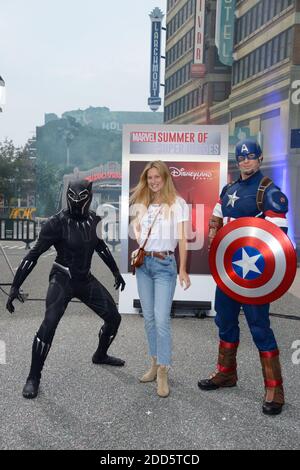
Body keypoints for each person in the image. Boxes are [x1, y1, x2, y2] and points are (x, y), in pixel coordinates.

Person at [6, 179, 126, 399]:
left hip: (84, 278)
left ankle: (100, 354)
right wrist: (15, 286)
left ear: (89, 196)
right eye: (73, 196)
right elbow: (33, 256)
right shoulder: (56, 222)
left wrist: (116, 272)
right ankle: (33, 377)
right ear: (67, 195)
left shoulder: (94, 220)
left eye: (81, 197)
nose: (76, 201)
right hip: (62, 277)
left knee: (114, 318)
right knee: (49, 323)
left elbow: (101, 248)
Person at [198, 139, 288, 415]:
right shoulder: (229, 190)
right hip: (229, 273)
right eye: (241, 158)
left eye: (250, 157)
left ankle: (275, 388)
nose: (245, 161)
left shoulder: (269, 192)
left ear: (260, 159)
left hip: (255, 275)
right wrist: (215, 233)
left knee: (259, 327)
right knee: (224, 321)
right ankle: (226, 373)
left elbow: (276, 238)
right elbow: (217, 217)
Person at [130, 160, 191, 398]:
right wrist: (140, 240)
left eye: (157, 177)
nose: (154, 181)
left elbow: (184, 239)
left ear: (166, 178)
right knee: (148, 319)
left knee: (161, 318)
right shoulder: (142, 203)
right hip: (144, 266)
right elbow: (137, 229)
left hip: (166, 265)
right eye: (150, 178)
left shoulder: (178, 204)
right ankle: (154, 364)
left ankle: (164, 370)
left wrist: (183, 269)